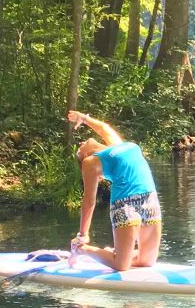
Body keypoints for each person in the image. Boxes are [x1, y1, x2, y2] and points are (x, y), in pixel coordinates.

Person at [68, 110, 162, 271]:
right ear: (84, 156)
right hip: (125, 204)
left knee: (146, 262)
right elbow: (89, 202)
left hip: (150, 198)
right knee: (121, 266)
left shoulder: (116, 147)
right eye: (79, 150)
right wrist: (82, 235)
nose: (80, 145)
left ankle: (112, 253)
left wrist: (83, 118)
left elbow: (104, 128)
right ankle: (81, 250)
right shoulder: (91, 162)